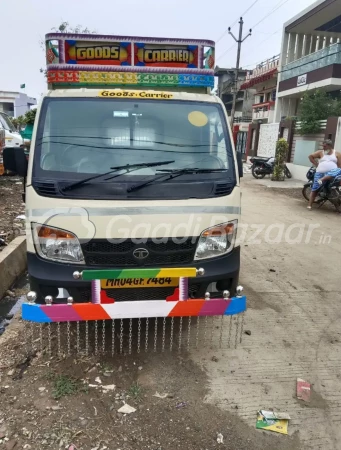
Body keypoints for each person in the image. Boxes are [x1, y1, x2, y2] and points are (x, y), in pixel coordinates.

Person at [307, 139, 341, 209]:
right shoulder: (320, 152)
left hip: (332, 174)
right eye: (323, 146)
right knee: (315, 189)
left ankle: (337, 206)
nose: (323, 148)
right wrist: (316, 164)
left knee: (333, 189)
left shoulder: (337, 153)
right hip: (320, 173)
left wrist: (336, 171)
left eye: (325, 146)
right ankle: (309, 205)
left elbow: (339, 165)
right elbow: (310, 156)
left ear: (330, 146)